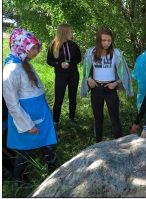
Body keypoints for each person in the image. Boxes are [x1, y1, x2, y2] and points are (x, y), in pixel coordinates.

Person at [3, 28, 57, 184]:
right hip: (27, 118)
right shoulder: (11, 70)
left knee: (46, 141)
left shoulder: (24, 63)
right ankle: (19, 180)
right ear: (20, 47)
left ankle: (54, 171)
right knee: (23, 150)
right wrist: (27, 125)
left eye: (36, 47)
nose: (37, 51)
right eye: (32, 48)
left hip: (39, 113)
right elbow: (12, 104)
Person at [80, 27, 133, 143]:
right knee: (98, 119)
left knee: (115, 118)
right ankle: (98, 144)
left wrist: (116, 83)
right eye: (103, 40)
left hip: (110, 89)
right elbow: (86, 69)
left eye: (109, 40)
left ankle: (120, 144)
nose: (106, 43)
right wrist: (89, 79)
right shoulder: (91, 53)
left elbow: (124, 73)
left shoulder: (116, 54)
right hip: (96, 90)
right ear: (98, 40)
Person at [47, 24, 82, 128]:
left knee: (73, 96)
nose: (72, 34)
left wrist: (71, 63)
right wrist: (60, 64)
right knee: (59, 98)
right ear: (64, 33)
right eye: (70, 32)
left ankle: (72, 118)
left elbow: (79, 58)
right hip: (61, 76)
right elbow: (49, 61)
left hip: (73, 75)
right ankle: (55, 121)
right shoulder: (54, 45)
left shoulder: (74, 45)